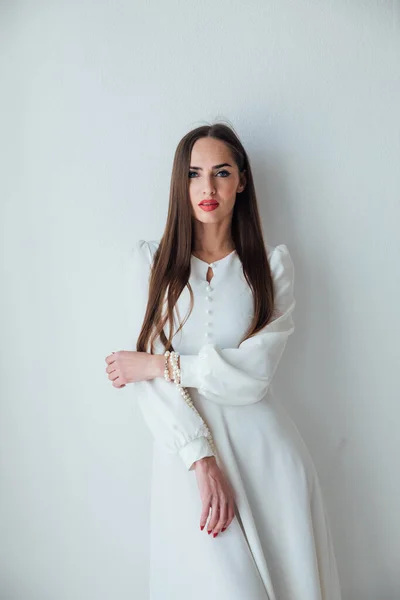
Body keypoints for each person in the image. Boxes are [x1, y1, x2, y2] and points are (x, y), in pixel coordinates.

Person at [105, 123, 342, 599]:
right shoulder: (151, 267)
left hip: (268, 461)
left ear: (242, 180)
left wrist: (162, 365)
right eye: (194, 174)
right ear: (181, 183)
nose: (207, 188)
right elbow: (149, 388)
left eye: (221, 172)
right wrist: (201, 460)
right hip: (187, 468)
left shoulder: (271, 269)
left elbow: (254, 376)